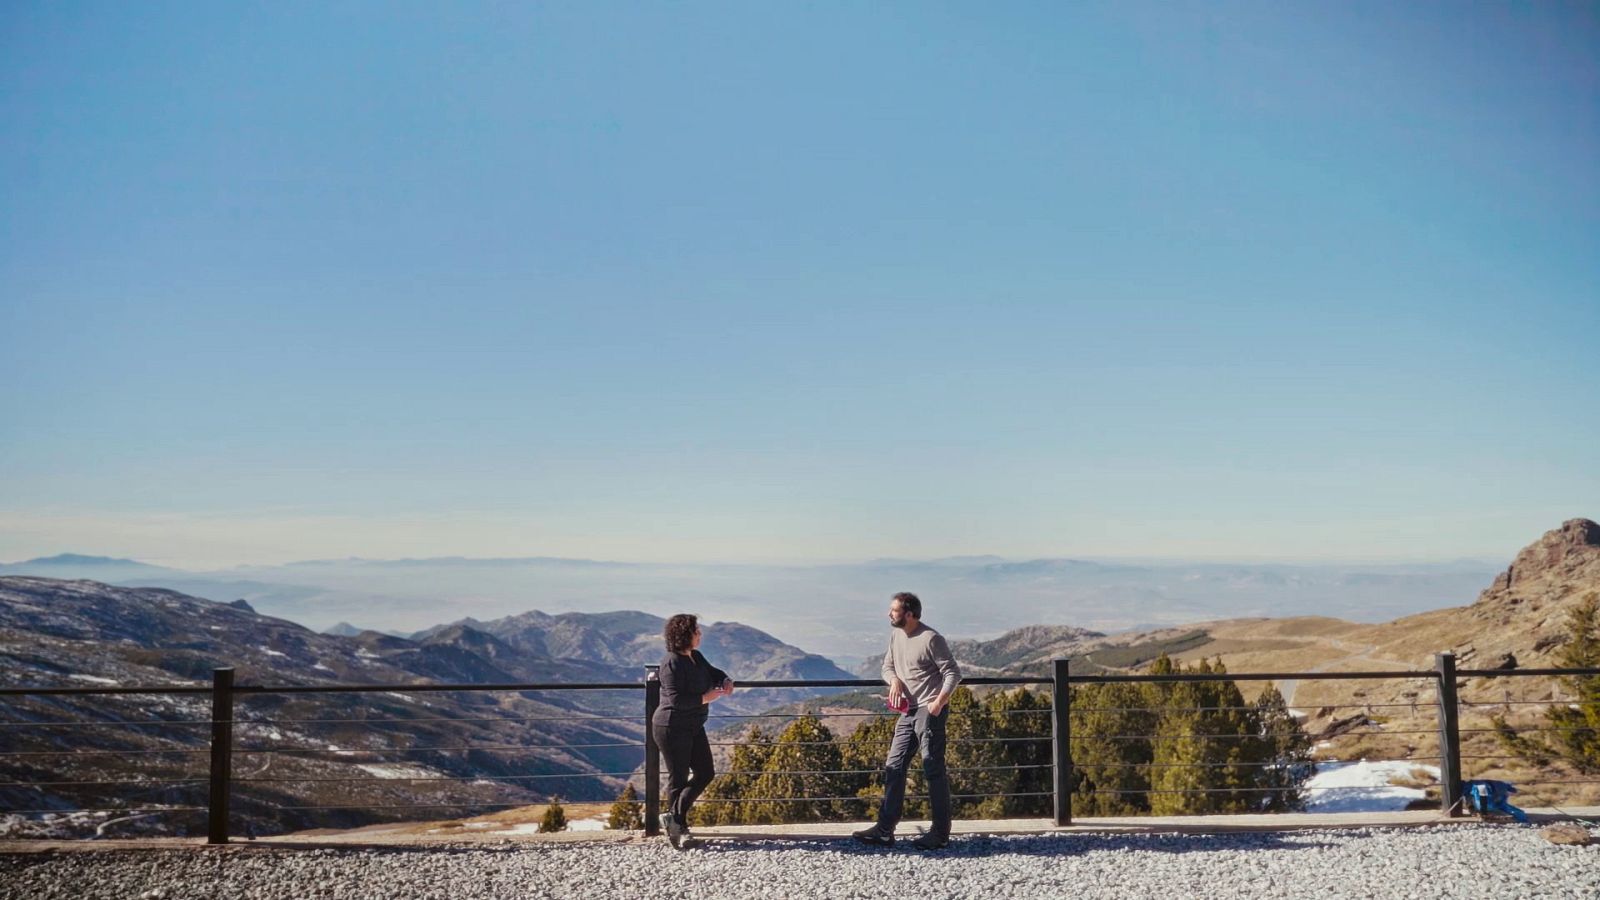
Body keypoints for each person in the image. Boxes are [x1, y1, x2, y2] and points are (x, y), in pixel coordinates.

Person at [854, 591, 962, 850]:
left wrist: (938, 703)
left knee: (933, 769)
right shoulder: (896, 635)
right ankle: (884, 831)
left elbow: (953, 673)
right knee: (894, 765)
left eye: (894, 611)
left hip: (929, 710)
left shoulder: (931, 638)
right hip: (907, 711)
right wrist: (894, 680)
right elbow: (887, 666)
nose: (889, 614)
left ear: (910, 614)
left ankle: (940, 834)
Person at [651, 613, 733, 850]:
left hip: (694, 725)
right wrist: (705, 698)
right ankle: (679, 829)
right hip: (671, 727)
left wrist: (726, 679)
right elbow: (676, 700)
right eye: (697, 631)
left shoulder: (695, 656)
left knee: (705, 772)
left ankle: (673, 818)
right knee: (678, 778)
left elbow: (713, 672)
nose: (700, 634)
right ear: (685, 635)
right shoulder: (671, 663)